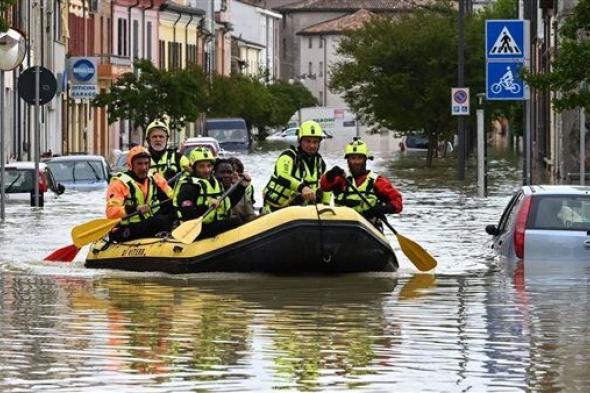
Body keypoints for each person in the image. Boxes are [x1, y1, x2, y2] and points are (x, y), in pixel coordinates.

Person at [320, 138, 403, 230]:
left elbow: (397, 201)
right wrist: (330, 175)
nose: (356, 162)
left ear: (365, 159)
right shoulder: (340, 179)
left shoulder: (378, 181)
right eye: (353, 158)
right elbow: (324, 186)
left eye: (360, 158)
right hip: (343, 226)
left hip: (369, 228)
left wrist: (385, 208)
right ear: (347, 160)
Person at [174, 147, 252, 240]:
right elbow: (188, 214)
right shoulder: (189, 186)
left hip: (214, 224)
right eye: (201, 166)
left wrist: (242, 187)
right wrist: (207, 205)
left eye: (209, 166)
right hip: (196, 230)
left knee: (240, 220)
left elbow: (228, 203)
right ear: (194, 167)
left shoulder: (215, 182)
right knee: (236, 222)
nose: (207, 170)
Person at [106, 146, 174, 242]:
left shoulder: (155, 178)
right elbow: (111, 212)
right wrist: (135, 208)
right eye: (139, 164)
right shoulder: (119, 183)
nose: (144, 168)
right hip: (124, 228)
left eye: (146, 163)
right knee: (157, 222)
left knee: (171, 213)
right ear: (131, 165)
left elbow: (172, 196)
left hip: (146, 224)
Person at [262, 120, 331, 213]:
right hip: (275, 211)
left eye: (315, 142)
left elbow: (326, 186)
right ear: (300, 141)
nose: (312, 145)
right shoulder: (288, 156)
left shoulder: (320, 163)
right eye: (308, 141)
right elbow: (282, 176)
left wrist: (325, 206)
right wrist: (302, 188)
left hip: (300, 213)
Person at [145, 119, 189, 215]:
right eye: (154, 137)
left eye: (161, 137)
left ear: (167, 139)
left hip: (172, 206)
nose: (158, 139)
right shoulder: (140, 159)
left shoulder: (178, 158)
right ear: (148, 140)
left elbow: (192, 178)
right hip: (148, 207)